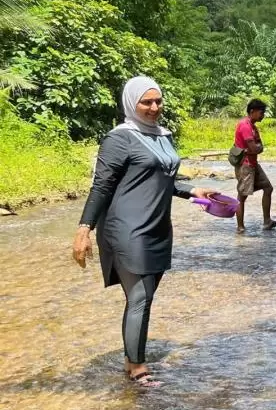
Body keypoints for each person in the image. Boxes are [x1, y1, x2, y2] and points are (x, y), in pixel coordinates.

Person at [72, 76, 219, 388]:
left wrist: (194, 190)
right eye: (146, 102)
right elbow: (102, 186)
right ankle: (138, 367)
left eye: (158, 101)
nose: (154, 108)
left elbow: (164, 178)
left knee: (140, 298)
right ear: (131, 104)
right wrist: (84, 230)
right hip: (127, 228)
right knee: (140, 297)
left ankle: (130, 358)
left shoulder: (162, 136)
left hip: (157, 228)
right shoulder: (119, 138)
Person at [233, 98, 276, 234]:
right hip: (245, 165)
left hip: (253, 164)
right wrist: (256, 148)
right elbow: (256, 148)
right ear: (252, 111)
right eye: (261, 113)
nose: (263, 116)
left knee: (268, 187)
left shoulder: (253, 127)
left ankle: (267, 221)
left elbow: (259, 147)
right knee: (242, 196)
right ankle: (240, 227)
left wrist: (257, 148)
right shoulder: (245, 126)